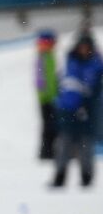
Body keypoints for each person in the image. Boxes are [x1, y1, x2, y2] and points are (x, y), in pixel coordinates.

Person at [51, 33, 101, 189]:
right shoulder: (71, 64)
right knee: (64, 145)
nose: (84, 50)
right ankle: (60, 177)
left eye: (87, 47)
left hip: (88, 115)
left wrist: (87, 105)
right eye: (82, 47)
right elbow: (62, 87)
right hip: (69, 113)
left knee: (86, 147)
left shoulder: (96, 67)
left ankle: (86, 177)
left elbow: (97, 92)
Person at [35, 30, 60, 161]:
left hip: (50, 97)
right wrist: (49, 95)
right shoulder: (44, 57)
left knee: (51, 126)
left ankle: (49, 151)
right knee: (49, 126)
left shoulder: (49, 56)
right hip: (47, 99)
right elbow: (43, 80)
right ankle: (46, 152)